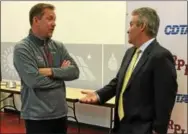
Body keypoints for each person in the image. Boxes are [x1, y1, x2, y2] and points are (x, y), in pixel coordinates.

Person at [79, 7, 177, 134]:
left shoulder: (161, 56)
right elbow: (118, 82)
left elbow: (165, 100)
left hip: (143, 129)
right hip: (121, 127)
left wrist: (157, 130)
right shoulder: (130, 52)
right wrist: (98, 95)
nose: (128, 30)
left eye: (131, 25)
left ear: (142, 26)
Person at [13, 3, 79, 134]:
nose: (54, 24)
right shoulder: (23, 48)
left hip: (60, 115)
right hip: (37, 117)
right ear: (36, 20)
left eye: (54, 19)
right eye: (50, 19)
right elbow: (34, 81)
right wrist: (61, 76)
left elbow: (74, 71)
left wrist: (50, 71)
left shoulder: (58, 46)